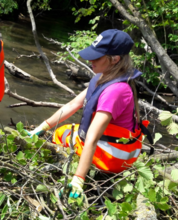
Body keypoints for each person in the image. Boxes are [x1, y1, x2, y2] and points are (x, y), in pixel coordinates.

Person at [28, 29, 152, 200]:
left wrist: (79, 178)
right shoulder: (107, 76)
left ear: (115, 59)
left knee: (61, 133)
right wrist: (42, 127)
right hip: (113, 144)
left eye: (97, 57)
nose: (90, 60)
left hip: (114, 156)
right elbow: (73, 104)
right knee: (66, 129)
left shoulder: (115, 90)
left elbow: (92, 137)